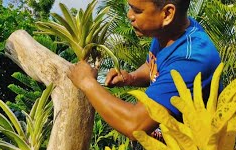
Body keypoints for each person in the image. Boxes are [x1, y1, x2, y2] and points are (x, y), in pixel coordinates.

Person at [67, 0, 221, 140]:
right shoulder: (168, 33)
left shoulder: (191, 59)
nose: (129, 15)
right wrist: (131, 78)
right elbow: (152, 66)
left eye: (137, 11)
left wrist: (86, 82)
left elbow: (134, 124)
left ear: (167, 14)